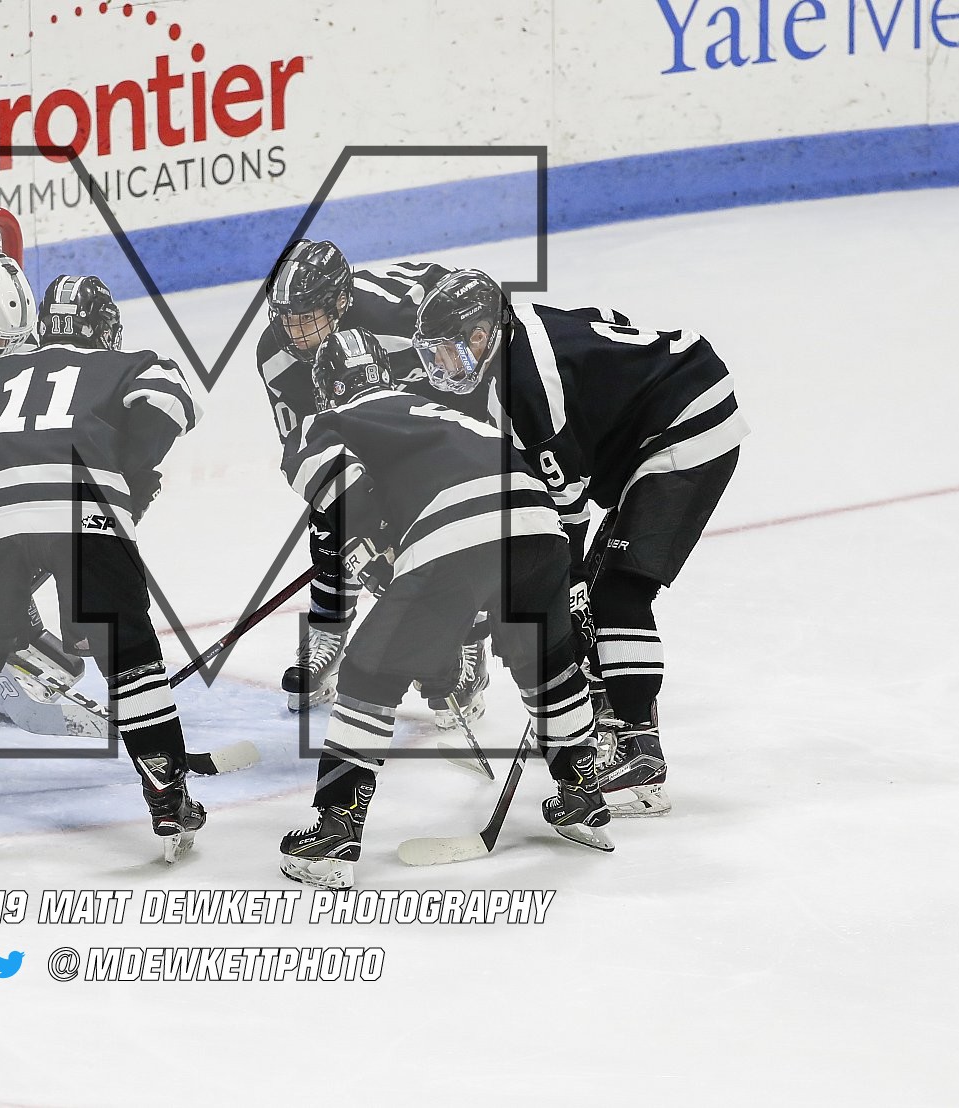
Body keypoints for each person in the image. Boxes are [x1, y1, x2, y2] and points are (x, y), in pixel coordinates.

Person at [276, 328, 612, 890]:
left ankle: (335, 828)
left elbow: (336, 486)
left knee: (367, 671)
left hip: (457, 533)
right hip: (539, 524)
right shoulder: (442, 406)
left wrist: (376, 554)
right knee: (546, 662)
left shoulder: (327, 420)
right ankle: (581, 789)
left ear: (326, 389)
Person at [413, 270, 748, 816]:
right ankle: (619, 731)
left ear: (480, 336)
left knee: (614, 593)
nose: (442, 368)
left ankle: (640, 746)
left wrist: (559, 588)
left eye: (449, 352)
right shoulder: (506, 356)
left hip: (687, 419)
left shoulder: (528, 381)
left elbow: (563, 510)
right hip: (646, 429)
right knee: (589, 594)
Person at [0, 274, 206, 862]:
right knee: (128, 654)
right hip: (83, 511)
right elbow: (171, 405)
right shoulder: (129, 363)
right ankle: (168, 795)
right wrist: (125, 471)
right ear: (103, 329)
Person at [257, 239, 487, 724]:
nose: (294, 333)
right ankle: (329, 628)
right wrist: (366, 546)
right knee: (335, 503)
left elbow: (472, 313)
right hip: (360, 415)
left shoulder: (401, 318)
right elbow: (310, 453)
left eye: (307, 318)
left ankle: (469, 641)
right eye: (286, 318)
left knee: (449, 514)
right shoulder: (276, 355)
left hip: (432, 411)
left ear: (340, 303)